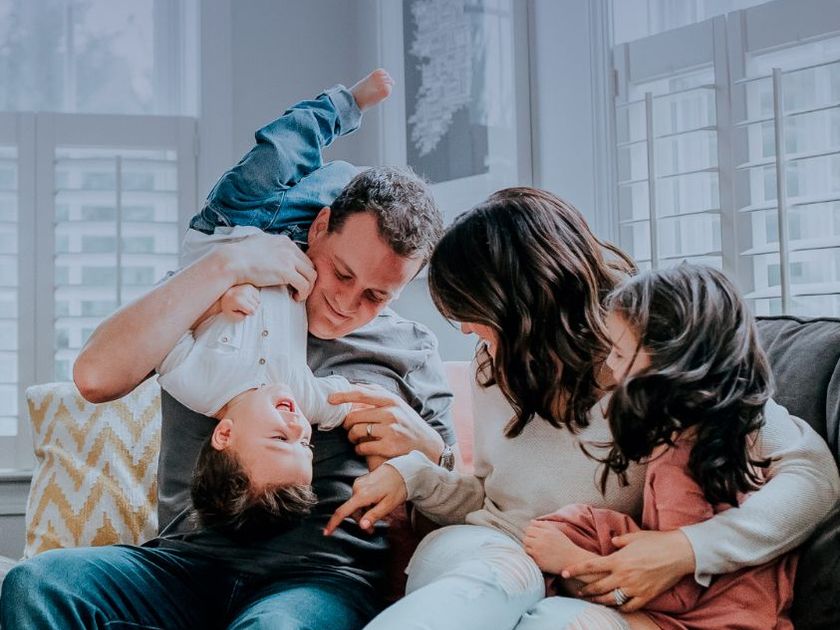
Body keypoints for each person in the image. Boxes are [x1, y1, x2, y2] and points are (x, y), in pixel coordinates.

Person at [0, 70, 456, 629]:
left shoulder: (411, 352)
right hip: (185, 564)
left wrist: (431, 453)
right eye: (341, 273)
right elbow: (94, 377)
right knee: (35, 585)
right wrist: (226, 263)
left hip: (317, 579)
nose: (346, 303)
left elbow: (455, 511)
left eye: (376, 296)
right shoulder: (222, 293)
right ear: (319, 228)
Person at [325, 187, 840, 630]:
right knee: (500, 578)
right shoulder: (492, 362)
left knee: (555, 622)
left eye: (475, 311)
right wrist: (419, 475)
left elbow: (813, 476)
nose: (465, 329)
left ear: (528, 304)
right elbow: (492, 499)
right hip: (486, 550)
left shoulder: (655, 361)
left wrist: (687, 549)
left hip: (582, 584)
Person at [524, 264, 798, 629]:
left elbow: (677, 591)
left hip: (714, 621)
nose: (609, 364)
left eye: (619, 353)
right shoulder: (726, 431)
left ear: (670, 360)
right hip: (745, 608)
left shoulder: (680, 461)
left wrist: (568, 560)